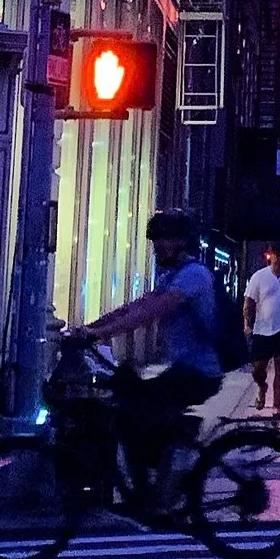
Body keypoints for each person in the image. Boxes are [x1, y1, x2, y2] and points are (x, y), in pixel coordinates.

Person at [82, 209, 223, 499]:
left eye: (164, 238)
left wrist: (102, 334)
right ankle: (160, 466)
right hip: (183, 368)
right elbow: (135, 306)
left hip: (199, 371)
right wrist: (88, 328)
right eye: (155, 239)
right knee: (124, 399)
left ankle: (157, 488)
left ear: (182, 241)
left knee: (132, 415)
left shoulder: (194, 276)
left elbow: (151, 312)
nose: (157, 245)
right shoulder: (171, 276)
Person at [243, 239, 280, 414]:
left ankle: (277, 406)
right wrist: (247, 324)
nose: (279, 261)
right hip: (262, 329)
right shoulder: (259, 277)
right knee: (258, 368)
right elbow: (249, 303)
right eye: (276, 257)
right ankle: (262, 387)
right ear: (271, 257)